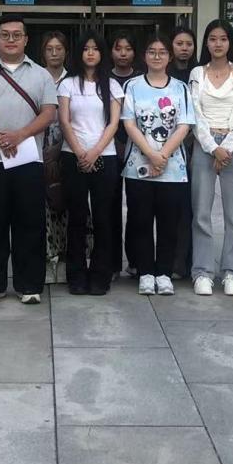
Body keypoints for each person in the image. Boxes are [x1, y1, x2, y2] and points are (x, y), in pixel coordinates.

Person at [0, 14, 58, 305]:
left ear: (26, 40)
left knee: (29, 222)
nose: (11, 39)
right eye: (5, 34)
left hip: (28, 159)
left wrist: (20, 135)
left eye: (17, 34)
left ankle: (29, 284)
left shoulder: (41, 74)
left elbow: (49, 112)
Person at [122, 34, 195, 296]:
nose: (156, 56)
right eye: (152, 51)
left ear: (169, 57)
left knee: (168, 223)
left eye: (162, 52)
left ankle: (163, 272)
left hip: (172, 168)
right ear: (144, 56)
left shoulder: (180, 88)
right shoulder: (132, 86)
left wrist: (162, 155)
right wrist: (151, 155)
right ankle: (145, 272)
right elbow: (129, 123)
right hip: (138, 166)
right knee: (140, 220)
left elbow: (184, 125)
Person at [188, 20, 233, 296]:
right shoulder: (197, 73)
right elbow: (194, 112)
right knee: (201, 213)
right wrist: (212, 147)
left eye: (223, 38)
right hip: (205, 147)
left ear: (230, 42)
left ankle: (231, 271)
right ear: (206, 42)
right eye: (213, 38)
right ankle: (202, 271)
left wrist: (227, 147)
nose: (218, 43)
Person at [58, 31, 124, 295]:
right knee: (76, 217)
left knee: (102, 218)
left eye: (95, 48)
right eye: (86, 48)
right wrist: (79, 152)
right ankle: (76, 275)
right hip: (72, 156)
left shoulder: (112, 86)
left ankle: (100, 275)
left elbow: (113, 123)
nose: (90, 53)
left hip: (104, 157)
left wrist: (95, 152)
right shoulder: (68, 84)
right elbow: (64, 121)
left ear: (102, 53)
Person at [108, 30, 140, 279]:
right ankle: (112, 263)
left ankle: (136, 260)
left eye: (128, 49)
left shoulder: (141, 80)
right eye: (118, 48)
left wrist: (128, 144)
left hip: (137, 150)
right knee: (110, 207)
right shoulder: (103, 78)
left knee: (137, 207)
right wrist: (114, 143)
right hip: (108, 150)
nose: (123, 53)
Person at [40, 31, 70, 283]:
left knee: (67, 204)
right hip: (37, 150)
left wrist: (60, 148)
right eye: (49, 48)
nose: (54, 53)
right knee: (42, 207)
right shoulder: (36, 78)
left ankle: (66, 258)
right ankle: (47, 257)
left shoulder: (74, 80)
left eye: (58, 48)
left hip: (69, 149)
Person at [168, 24, 196, 278]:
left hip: (193, 148)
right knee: (169, 208)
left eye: (188, 44)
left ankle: (183, 262)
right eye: (179, 44)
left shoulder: (199, 74)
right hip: (165, 149)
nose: (184, 48)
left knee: (188, 209)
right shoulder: (162, 74)